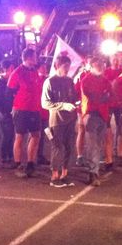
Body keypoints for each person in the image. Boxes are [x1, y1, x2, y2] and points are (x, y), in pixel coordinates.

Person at [41, 54, 78, 187]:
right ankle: (54, 175)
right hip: (56, 120)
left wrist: (75, 105)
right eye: (64, 66)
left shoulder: (69, 81)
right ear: (57, 66)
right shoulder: (50, 82)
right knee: (57, 147)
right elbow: (45, 103)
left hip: (70, 119)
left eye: (68, 66)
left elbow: (73, 98)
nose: (67, 69)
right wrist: (62, 105)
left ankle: (65, 174)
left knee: (69, 147)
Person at [7, 48, 44, 178]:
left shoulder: (34, 72)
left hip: (34, 109)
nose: (36, 59)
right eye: (34, 56)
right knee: (20, 136)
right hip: (21, 109)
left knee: (36, 135)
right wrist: (13, 108)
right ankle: (17, 163)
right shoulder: (18, 73)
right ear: (28, 58)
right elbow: (10, 91)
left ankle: (30, 163)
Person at [80, 56, 112, 186]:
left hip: (103, 115)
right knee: (92, 145)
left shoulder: (105, 80)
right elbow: (93, 97)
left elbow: (109, 95)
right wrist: (103, 97)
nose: (101, 66)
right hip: (91, 115)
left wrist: (104, 97)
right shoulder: (86, 80)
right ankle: (92, 172)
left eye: (102, 64)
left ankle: (94, 170)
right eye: (98, 64)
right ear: (92, 66)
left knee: (98, 145)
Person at [103, 54, 122, 171]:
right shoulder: (105, 72)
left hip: (120, 105)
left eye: (118, 60)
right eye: (114, 59)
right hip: (108, 105)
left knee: (121, 130)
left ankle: (120, 155)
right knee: (108, 132)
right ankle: (108, 157)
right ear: (110, 60)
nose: (116, 61)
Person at [0, 59, 16, 167]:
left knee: (11, 135)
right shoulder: (0, 81)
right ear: (6, 69)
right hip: (4, 114)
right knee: (7, 135)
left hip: (10, 113)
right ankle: (5, 157)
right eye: (11, 68)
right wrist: (5, 112)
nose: (13, 70)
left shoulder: (10, 81)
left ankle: (10, 156)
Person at [74, 55, 92, 166]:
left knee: (92, 134)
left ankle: (91, 157)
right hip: (83, 109)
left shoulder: (98, 75)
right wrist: (78, 104)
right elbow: (75, 93)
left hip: (94, 109)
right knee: (82, 131)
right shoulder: (81, 76)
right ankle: (80, 156)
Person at [37, 63, 51, 165]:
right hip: (37, 112)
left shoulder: (47, 79)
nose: (45, 69)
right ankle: (33, 157)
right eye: (43, 67)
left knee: (42, 136)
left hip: (45, 113)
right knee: (36, 136)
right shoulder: (38, 80)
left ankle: (39, 155)